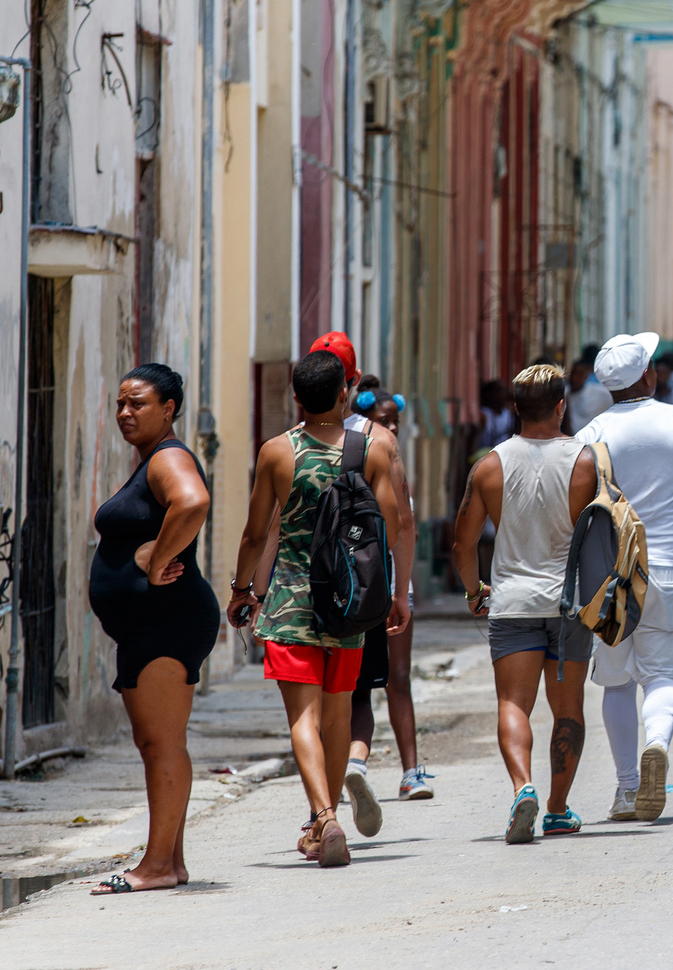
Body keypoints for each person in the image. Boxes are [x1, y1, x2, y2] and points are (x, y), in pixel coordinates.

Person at [224, 350, 403, 868]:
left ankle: (324, 818)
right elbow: (387, 524)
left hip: (291, 604)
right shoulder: (369, 449)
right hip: (347, 605)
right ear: (344, 394)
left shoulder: (278, 452)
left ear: (296, 398)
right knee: (338, 712)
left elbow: (257, 531)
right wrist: (390, 591)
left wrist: (241, 590)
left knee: (302, 716)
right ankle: (324, 815)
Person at [574, 332, 673, 823]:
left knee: (615, 681)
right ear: (648, 375)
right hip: (668, 568)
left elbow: (574, 511)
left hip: (611, 572)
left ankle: (626, 790)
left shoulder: (590, 434)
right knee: (661, 675)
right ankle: (656, 743)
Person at [453, 365, 599, 843]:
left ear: (515, 407)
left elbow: (463, 542)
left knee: (513, 704)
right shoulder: (583, 462)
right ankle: (557, 808)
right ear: (562, 406)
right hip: (568, 603)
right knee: (568, 706)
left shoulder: (490, 465)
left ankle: (523, 787)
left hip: (512, 600)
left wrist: (475, 591)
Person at [86, 365, 218, 894]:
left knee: (162, 743)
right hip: (152, 626)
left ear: (168, 408)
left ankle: (158, 865)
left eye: (137, 403)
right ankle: (171, 861)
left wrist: (153, 557)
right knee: (157, 742)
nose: (125, 413)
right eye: (121, 403)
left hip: (167, 621)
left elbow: (193, 502)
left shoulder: (168, 458)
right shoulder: (152, 462)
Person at [343, 385, 433, 842]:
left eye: (395, 418)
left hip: (381, 587)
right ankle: (376, 767)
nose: (391, 425)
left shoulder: (385, 453)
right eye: (384, 417)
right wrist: (401, 591)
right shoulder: (374, 454)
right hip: (384, 588)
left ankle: (406, 769)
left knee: (394, 679)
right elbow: (403, 526)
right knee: (367, 686)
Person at [565, 358, 612, 434]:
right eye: (573, 373)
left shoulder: (599, 392)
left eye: (579, 374)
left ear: (586, 376)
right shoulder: (565, 394)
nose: (575, 378)